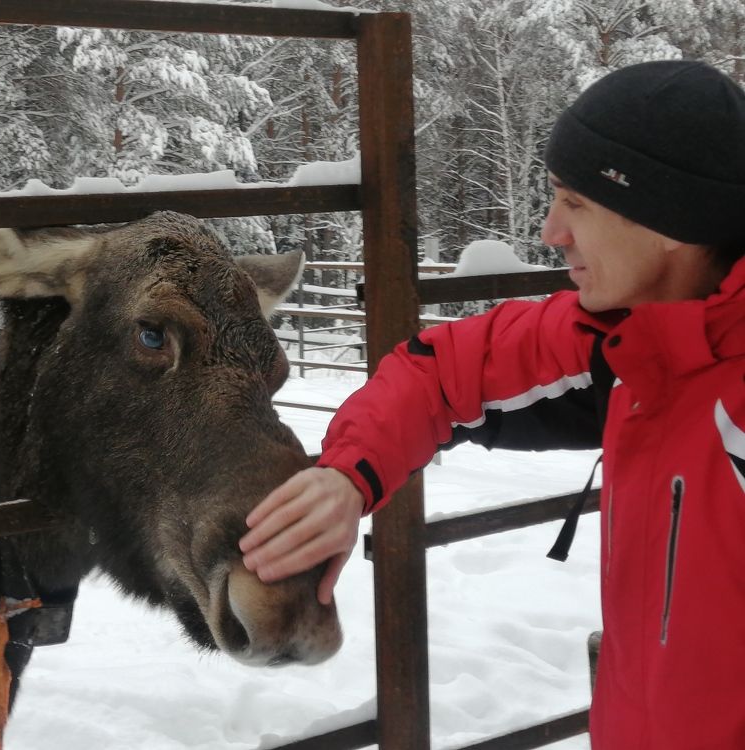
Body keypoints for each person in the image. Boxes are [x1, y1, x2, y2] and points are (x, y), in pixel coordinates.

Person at [239, 59, 745, 749]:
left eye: (576, 203)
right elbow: (440, 372)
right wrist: (346, 478)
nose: (550, 232)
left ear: (670, 221)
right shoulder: (632, 341)